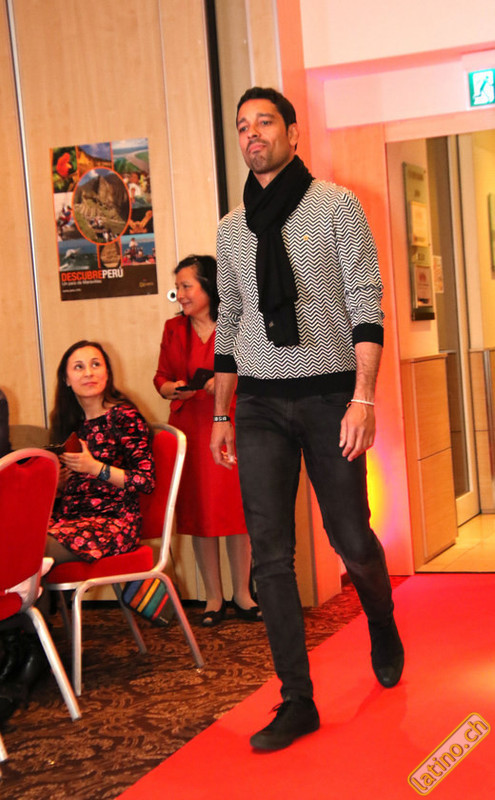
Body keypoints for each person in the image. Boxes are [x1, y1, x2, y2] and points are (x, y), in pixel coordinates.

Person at [210, 87, 404, 751]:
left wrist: (363, 399)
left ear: (292, 133)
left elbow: (366, 304)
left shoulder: (336, 206)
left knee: (350, 537)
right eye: (243, 126)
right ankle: (297, 699)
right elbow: (231, 320)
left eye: (264, 122)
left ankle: (380, 616)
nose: (252, 134)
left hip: (329, 398)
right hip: (258, 404)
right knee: (270, 556)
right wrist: (220, 412)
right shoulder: (231, 229)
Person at [154, 255, 260, 627]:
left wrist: (225, 381)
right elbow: (160, 378)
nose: (180, 295)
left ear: (209, 286)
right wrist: (171, 388)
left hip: (230, 423)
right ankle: (213, 598)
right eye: (178, 288)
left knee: (236, 511)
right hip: (190, 427)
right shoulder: (173, 328)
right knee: (200, 514)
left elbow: (256, 369)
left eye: (187, 286)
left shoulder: (237, 323)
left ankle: (243, 593)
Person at [46, 340, 155, 564]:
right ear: (66, 379)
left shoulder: (125, 417)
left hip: (113, 523)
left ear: (107, 373)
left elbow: (145, 481)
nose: (88, 373)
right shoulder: (68, 424)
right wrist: (60, 483)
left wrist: (94, 467)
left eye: (95, 364)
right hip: (69, 519)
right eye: (79, 367)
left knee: (30, 550)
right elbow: (73, 488)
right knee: (15, 536)